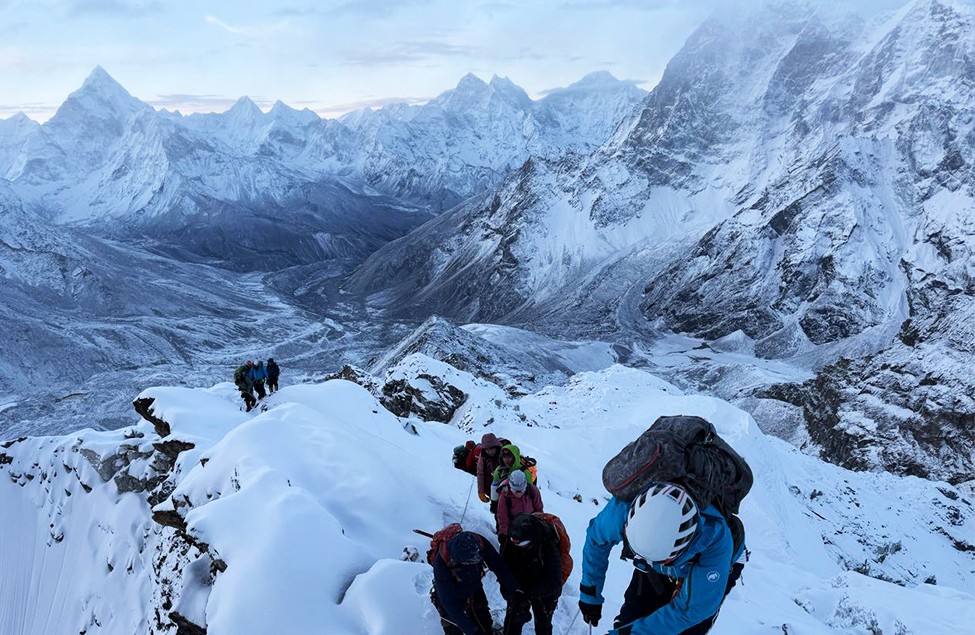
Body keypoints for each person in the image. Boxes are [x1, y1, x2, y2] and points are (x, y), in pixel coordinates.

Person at [578, 482, 745, 635]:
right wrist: (589, 594)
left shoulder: (714, 539)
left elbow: (690, 611)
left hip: (707, 569)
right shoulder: (624, 509)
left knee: (684, 631)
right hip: (659, 561)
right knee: (631, 618)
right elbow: (596, 540)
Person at [431, 530, 518, 635]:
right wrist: (472, 632)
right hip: (452, 592)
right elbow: (449, 603)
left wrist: (515, 592)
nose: (476, 560)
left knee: (483, 620)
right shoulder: (441, 564)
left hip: (473, 585)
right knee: (453, 626)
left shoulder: (479, 543)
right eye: (471, 561)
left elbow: (499, 566)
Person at [502, 514, 564, 635]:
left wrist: (529, 593)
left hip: (545, 592)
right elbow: (504, 570)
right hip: (520, 586)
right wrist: (511, 592)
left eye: (522, 545)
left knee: (543, 625)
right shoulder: (511, 542)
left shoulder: (548, 548)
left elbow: (555, 582)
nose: (518, 547)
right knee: (512, 621)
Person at [496, 470, 543, 546]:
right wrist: (504, 534)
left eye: (521, 490)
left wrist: (539, 528)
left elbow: (539, 510)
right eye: (515, 491)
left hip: (529, 524)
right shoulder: (504, 495)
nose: (518, 493)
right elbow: (502, 516)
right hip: (512, 526)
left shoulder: (533, 491)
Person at [490, 444, 534, 514]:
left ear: (515, 457)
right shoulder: (499, 471)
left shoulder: (525, 473)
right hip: (503, 507)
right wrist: (494, 502)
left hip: (521, 509)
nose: (506, 460)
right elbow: (495, 485)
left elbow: (531, 492)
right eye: (504, 457)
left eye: (509, 457)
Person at [477, 433, 508, 503]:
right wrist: (481, 492)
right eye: (486, 449)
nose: (489, 452)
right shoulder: (483, 455)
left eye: (491, 449)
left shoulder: (504, 453)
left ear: (496, 446)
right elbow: (480, 473)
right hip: (493, 487)